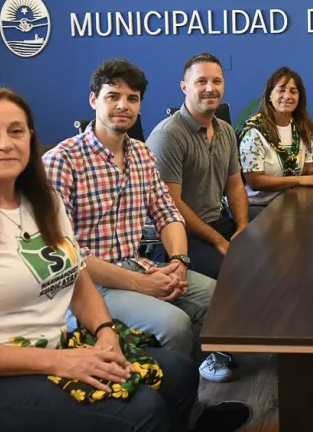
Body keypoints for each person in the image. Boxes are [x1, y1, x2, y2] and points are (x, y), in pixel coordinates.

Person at [0, 87, 247, 432]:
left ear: (30, 138)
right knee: (144, 410)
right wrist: (60, 361)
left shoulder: (41, 205)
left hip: (54, 346)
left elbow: (77, 276)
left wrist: (105, 331)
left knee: (179, 374)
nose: (5, 143)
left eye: (16, 131)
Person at [43, 59, 239, 386]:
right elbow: (64, 254)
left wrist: (178, 261)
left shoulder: (141, 154)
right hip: (88, 286)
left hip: (138, 265)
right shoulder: (62, 161)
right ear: (94, 100)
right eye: (112, 96)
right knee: (174, 324)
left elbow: (168, 213)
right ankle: (163, 409)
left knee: (214, 297)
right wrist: (141, 284)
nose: (123, 105)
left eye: (132, 98)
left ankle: (191, 395)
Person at [146, 53, 249, 280]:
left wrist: (242, 228)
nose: (210, 88)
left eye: (216, 81)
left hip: (219, 223)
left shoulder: (226, 131)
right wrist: (219, 242)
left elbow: (235, 186)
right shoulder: (169, 135)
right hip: (181, 235)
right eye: (201, 81)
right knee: (230, 273)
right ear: (184, 87)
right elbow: (172, 204)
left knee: (267, 258)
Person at [237, 66, 313, 219]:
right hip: (256, 206)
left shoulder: (302, 128)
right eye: (281, 90)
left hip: (290, 200)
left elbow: (307, 167)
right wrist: (300, 179)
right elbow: (254, 181)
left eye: (293, 91)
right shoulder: (254, 131)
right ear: (269, 96)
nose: (287, 96)